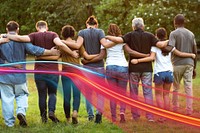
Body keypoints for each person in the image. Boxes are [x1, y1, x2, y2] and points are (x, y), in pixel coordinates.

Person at [6, 20, 79, 123]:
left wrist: (7, 35)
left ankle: (44, 118)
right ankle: (51, 112)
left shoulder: (33, 35)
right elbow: (61, 45)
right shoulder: (53, 34)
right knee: (52, 93)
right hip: (53, 71)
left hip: (39, 71)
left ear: (37, 28)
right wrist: (72, 53)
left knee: (42, 95)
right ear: (46, 27)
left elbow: (18, 38)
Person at [106, 17, 168, 122]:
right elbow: (161, 45)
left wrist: (105, 36)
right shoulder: (150, 36)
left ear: (133, 26)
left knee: (134, 93)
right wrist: (171, 38)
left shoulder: (129, 35)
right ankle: (150, 117)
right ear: (143, 26)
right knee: (147, 92)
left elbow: (118, 40)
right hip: (147, 69)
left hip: (134, 68)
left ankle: (135, 116)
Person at [0, 21, 59, 127]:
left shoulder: (2, 41)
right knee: (22, 95)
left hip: (5, 76)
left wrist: (6, 63)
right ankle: (21, 112)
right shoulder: (22, 41)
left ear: (7, 29)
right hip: (19, 75)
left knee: (7, 99)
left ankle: (9, 123)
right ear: (18, 29)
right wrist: (51, 52)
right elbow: (35, 50)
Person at [131, 27, 195, 122]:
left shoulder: (154, 47)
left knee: (158, 95)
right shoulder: (170, 46)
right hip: (169, 72)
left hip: (159, 73)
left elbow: (151, 58)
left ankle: (162, 116)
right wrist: (191, 55)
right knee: (166, 95)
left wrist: (138, 60)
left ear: (156, 36)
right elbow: (180, 54)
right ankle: (167, 115)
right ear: (166, 35)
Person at [62, 16, 115, 123]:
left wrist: (86, 61)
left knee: (88, 92)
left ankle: (90, 115)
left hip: (86, 67)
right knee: (100, 92)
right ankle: (98, 113)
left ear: (87, 24)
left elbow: (78, 45)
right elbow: (104, 45)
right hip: (99, 66)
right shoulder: (100, 32)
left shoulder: (82, 32)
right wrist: (118, 41)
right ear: (96, 24)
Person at [104, 23, 151, 123]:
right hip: (123, 67)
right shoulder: (122, 41)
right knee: (122, 93)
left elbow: (102, 54)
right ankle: (122, 112)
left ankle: (113, 117)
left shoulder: (105, 41)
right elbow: (131, 52)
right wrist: (144, 55)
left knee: (112, 94)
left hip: (110, 66)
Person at [60, 25, 98, 124]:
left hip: (66, 72)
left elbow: (56, 54)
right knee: (77, 94)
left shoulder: (61, 44)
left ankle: (68, 119)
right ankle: (75, 113)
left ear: (63, 34)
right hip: (77, 72)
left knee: (66, 95)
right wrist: (100, 55)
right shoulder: (78, 44)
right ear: (73, 34)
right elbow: (87, 57)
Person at [169, 14, 197, 115]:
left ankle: (175, 108)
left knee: (176, 87)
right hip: (189, 63)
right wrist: (194, 67)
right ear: (184, 22)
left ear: (175, 22)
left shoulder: (173, 33)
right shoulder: (191, 34)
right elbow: (195, 52)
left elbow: (171, 48)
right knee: (188, 87)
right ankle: (189, 109)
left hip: (177, 64)